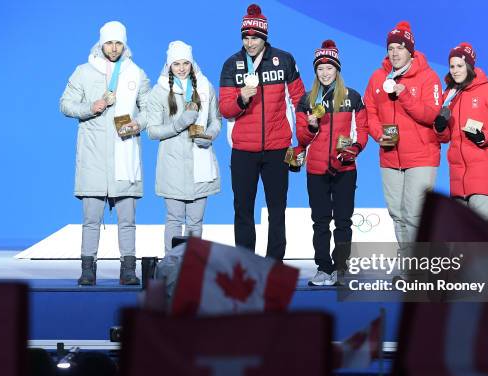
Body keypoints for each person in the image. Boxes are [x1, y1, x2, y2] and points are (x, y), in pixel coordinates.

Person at [60, 21, 150, 286]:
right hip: (93, 156)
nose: (113, 48)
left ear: (125, 44)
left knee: (127, 220)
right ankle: (88, 270)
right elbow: (65, 104)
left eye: (118, 43)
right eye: (109, 43)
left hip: (125, 154)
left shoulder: (135, 73)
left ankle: (129, 270)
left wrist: (138, 123)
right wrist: (92, 106)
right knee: (90, 219)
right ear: (101, 43)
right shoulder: (84, 72)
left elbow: (149, 110)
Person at [219, 3, 305, 260]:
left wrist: (299, 144)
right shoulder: (231, 65)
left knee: (277, 210)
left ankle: (274, 264)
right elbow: (225, 108)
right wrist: (241, 100)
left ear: (264, 36)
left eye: (254, 37)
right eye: (245, 37)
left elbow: (299, 102)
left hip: (278, 148)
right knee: (243, 209)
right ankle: (245, 264)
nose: (249, 42)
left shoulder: (285, 59)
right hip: (243, 150)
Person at [363, 21, 441, 256]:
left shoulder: (429, 77)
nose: (395, 53)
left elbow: (430, 115)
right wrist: (379, 135)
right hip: (390, 155)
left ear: (411, 51)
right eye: (391, 48)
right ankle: (409, 265)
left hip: (421, 156)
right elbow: (370, 112)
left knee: (415, 212)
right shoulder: (378, 77)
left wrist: (404, 94)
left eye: (400, 47)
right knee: (397, 213)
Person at [295, 40, 368, 286]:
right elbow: (302, 139)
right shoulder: (306, 100)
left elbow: (362, 131)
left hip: (345, 169)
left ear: (337, 69)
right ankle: (323, 269)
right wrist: (311, 126)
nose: (325, 73)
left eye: (329, 68)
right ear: (315, 71)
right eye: (320, 69)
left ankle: (341, 269)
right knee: (320, 221)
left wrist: (353, 150)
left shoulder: (353, 97)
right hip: (316, 169)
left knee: (344, 221)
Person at [147, 41, 221, 253]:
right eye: (176, 63)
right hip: (173, 165)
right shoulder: (159, 91)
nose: (181, 68)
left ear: (192, 62)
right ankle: (172, 265)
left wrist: (210, 135)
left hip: (201, 162)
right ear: (169, 65)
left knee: (196, 222)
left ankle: (192, 269)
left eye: (185, 63)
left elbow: (216, 119)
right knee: (174, 220)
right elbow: (152, 130)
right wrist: (179, 124)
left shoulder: (205, 86)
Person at [433, 43, 488, 224]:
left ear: (469, 66)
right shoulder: (449, 95)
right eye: (452, 66)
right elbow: (445, 137)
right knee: (461, 232)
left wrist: (485, 136)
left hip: (483, 171)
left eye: (459, 66)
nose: (455, 70)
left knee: (479, 229)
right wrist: (439, 127)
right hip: (457, 174)